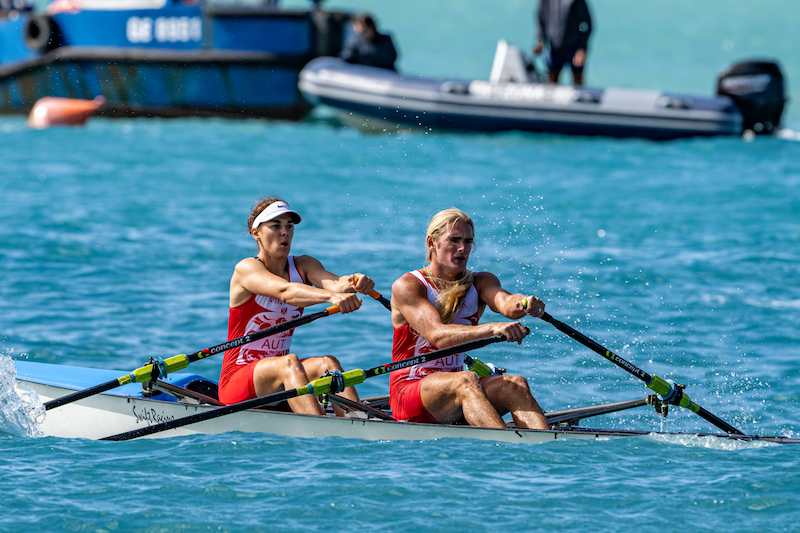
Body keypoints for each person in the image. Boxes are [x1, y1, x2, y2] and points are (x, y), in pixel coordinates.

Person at [389, 208, 549, 430]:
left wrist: (525, 302)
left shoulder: (480, 281)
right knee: (466, 380)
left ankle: (542, 449)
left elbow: (506, 303)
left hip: (458, 389)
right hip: (410, 391)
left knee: (516, 384)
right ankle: (505, 447)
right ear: (431, 243)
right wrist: (493, 328)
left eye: (468, 241)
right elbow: (438, 335)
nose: (462, 248)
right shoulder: (408, 286)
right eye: (454, 240)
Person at [218, 196, 375, 416]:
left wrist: (355, 282)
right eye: (275, 226)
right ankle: (319, 432)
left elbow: (336, 284)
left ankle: (358, 426)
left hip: (280, 377)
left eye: (289, 226)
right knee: (289, 363)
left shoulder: (303, 265)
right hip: (237, 380)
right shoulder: (246, 269)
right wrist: (332, 297)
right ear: (256, 233)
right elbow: (286, 292)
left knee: (328, 364)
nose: (285, 232)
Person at [533, 0, 592, 86]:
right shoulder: (545, 1)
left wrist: (582, 49)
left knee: (578, 82)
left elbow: (586, 24)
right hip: (554, 48)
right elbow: (541, 20)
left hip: (573, 47)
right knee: (552, 81)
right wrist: (540, 41)